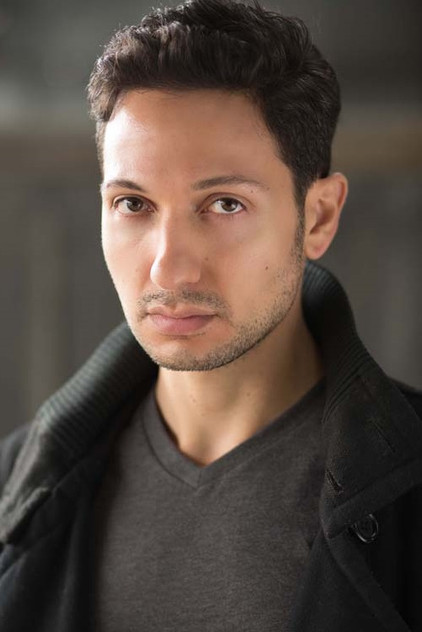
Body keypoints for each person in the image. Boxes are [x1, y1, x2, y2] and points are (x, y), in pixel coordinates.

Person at [0, 0, 421, 630]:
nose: (169, 269)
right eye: (133, 204)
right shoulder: (16, 490)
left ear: (319, 217)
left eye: (224, 204)